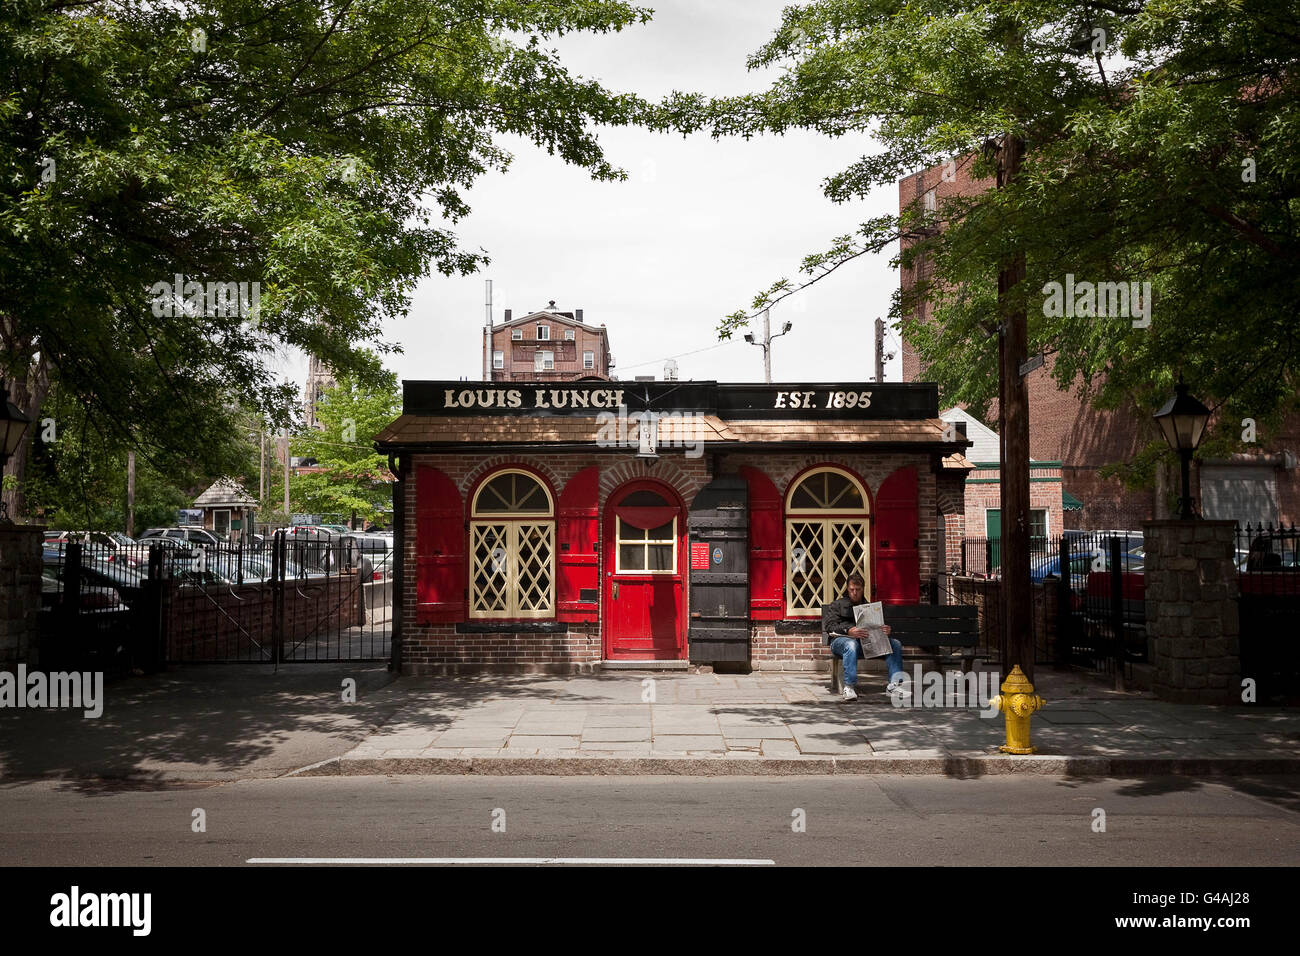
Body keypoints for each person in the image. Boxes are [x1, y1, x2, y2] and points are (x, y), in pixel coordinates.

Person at [823, 571, 906, 702]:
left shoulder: (869, 608)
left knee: (895, 644)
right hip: (841, 642)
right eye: (851, 590)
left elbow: (875, 629)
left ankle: (894, 686)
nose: (854, 592)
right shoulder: (837, 605)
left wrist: (884, 630)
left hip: (864, 644)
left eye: (858, 589)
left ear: (863, 589)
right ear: (847, 589)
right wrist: (848, 630)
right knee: (851, 645)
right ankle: (849, 686)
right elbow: (829, 627)